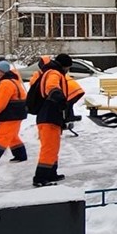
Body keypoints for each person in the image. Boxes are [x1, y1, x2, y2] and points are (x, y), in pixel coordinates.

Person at [32, 54, 73, 187]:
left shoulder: (51, 71)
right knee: (49, 148)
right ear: (64, 65)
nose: (68, 70)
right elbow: (51, 86)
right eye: (68, 67)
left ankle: (51, 173)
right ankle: (40, 178)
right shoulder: (54, 73)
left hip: (50, 115)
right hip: (49, 115)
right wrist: (59, 98)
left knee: (53, 146)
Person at [0, 60, 28, 165]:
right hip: (16, 113)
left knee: (2, 137)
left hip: (10, 114)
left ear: (2, 71)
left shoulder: (6, 83)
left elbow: (1, 101)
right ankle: (20, 155)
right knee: (12, 135)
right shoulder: (14, 81)